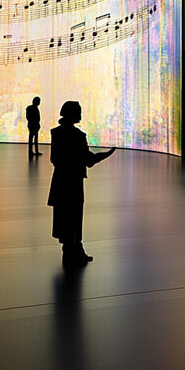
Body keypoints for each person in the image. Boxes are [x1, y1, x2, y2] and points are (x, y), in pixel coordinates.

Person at [47, 101, 115, 266]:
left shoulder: (56, 133)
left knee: (64, 214)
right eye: (79, 111)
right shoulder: (78, 136)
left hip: (60, 180)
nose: (81, 114)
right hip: (74, 181)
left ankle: (69, 250)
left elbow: (54, 159)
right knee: (75, 215)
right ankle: (75, 251)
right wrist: (105, 155)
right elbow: (88, 160)